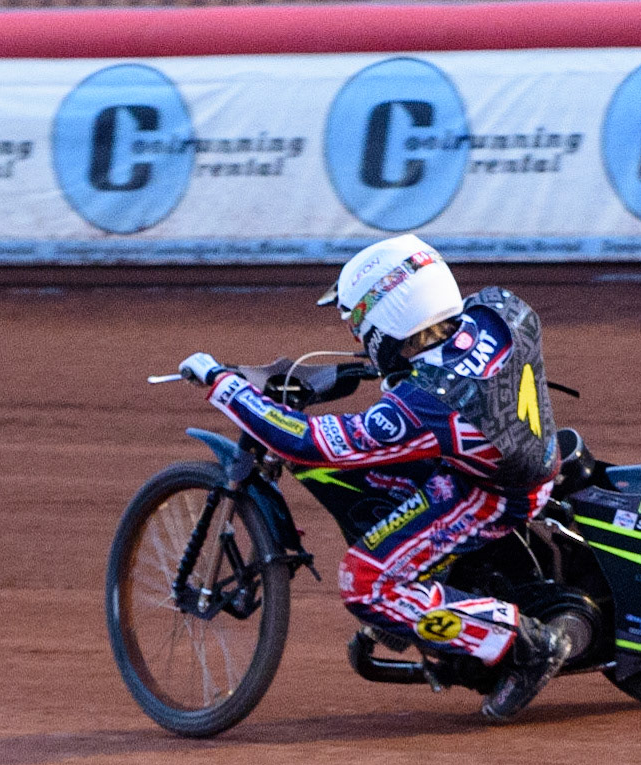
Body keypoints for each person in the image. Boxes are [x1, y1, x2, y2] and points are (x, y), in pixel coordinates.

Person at [177, 233, 573, 723]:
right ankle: (442, 596)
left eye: (360, 326)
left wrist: (224, 386)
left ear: (389, 317)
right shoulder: (499, 309)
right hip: (521, 448)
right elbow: (437, 360)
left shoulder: (425, 405)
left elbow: (308, 442)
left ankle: (527, 644)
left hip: (492, 494)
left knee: (364, 582)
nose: (358, 338)